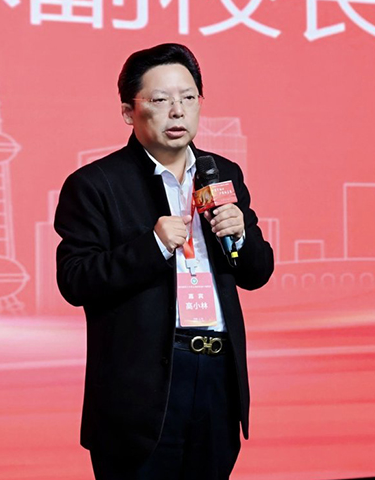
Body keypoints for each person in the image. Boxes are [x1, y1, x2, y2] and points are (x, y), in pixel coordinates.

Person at [54, 43, 274, 480]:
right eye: (160, 100)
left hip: (216, 375)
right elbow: (75, 280)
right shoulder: (95, 184)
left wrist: (240, 234)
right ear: (128, 111)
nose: (177, 111)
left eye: (188, 98)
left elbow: (257, 272)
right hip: (142, 389)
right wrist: (152, 246)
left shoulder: (222, 172)